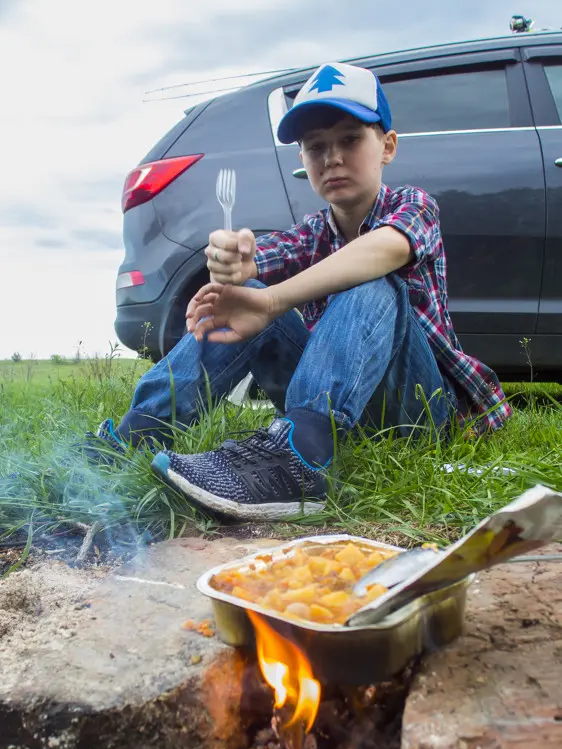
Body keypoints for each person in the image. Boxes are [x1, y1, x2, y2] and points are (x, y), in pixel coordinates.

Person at [95, 62, 511, 520]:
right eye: (315, 147)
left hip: (416, 412)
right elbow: (258, 260)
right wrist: (231, 257)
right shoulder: (311, 232)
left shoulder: (414, 206)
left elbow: (385, 249)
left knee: (369, 279)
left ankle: (299, 459)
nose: (332, 158)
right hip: (347, 407)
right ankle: (141, 431)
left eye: (350, 139)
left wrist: (273, 301)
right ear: (303, 162)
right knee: (246, 294)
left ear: (387, 147)